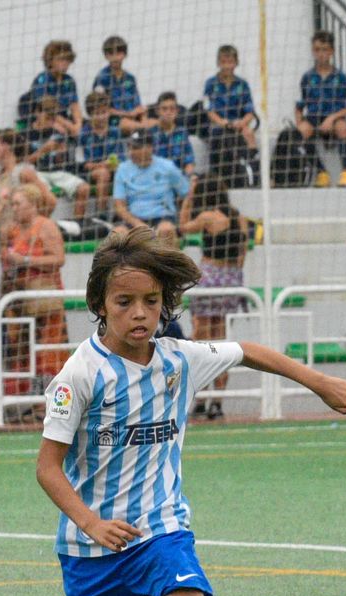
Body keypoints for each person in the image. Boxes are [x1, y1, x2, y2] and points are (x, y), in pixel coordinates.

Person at [35, 225, 346, 596]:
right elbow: (48, 467)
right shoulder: (80, 375)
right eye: (125, 302)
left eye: (151, 301)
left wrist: (316, 382)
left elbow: (249, 352)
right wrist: (90, 522)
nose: (140, 314)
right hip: (91, 546)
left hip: (162, 530)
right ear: (100, 305)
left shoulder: (179, 358)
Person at [179, 176, 251, 420]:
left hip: (210, 277)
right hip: (231, 280)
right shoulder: (238, 217)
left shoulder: (208, 217)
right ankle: (218, 402)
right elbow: (243, 252)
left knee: (200, 338)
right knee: (221, 341)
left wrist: (188, 198)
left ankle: (200, 399)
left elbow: (183, 227)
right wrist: (234, 277)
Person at [1, 184, 68, 402]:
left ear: (33, 205)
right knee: (22, 347)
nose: (14, 208)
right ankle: (24, 397)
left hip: (43, 298)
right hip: (19, 298)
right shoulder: (13, 229)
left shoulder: (45, 226)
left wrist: (26, 261)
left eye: (18, 203)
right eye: (13, 204)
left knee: (47, 348)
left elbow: (58, 259)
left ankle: (50, 397)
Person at [295, 30, 346, 188]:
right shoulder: (307, 77)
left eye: (325, 49)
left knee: (343, 127)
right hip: (314, 117)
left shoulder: (340, 77)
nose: (321, 54)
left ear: (332, 51)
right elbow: (300, 105)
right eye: (317, 50)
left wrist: (331, 119)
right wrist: (299, 120)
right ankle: (321, 173)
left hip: (334, 117)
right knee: (300, 131)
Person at [112, 130, 189, 244]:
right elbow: (119, 206)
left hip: (163, 217)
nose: (131, 152)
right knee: (118, 233)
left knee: (165, 230)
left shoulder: (167, 167)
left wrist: (183, 221)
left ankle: (169, 262)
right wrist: (138, 224)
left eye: (136, 148)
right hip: (134, 219)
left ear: (149, 148)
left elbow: (187, 193)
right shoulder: (122, 169)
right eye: (130, 148)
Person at [24, 97, 91, 222]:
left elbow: (64, 160)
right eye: (48, 117)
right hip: (37, 173)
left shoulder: (58, 131)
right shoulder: (27, 133)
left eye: (53, 117)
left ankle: (77, 226)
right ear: (37, 113)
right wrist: (44, 150)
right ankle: (41, 227)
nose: (51, 121)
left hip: (58, 172)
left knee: (84, 189)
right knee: (42, 194)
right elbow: (24, 162)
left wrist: (62, 151)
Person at [203, 44, 259, 167]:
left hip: (238, 123)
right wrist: (225, 123)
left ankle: (253, 171)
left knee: (249, 133)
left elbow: (250, 111)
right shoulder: (210, 83)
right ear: (218, 63)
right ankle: (221, 169)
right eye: (223, 62)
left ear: (236, 63)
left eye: (230, 62)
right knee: (221, 134)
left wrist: (242, 123)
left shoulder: (243, 84)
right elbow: (209, 111)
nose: (227, 66)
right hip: (219, 124)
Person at [0, 128, 50, 237]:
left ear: (6, 146)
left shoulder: (23, 172)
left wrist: (33, 229)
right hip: (2, 238)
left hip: (20, 240)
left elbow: (50, 201)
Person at [78, 91, 121, 217]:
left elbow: (121, 157)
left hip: (113, 170)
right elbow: (82, 165)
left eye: (104, 112)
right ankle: (101, 215)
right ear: (90, 115)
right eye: (97, 113)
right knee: (103, 174)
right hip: (90, 174)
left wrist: (115, 164)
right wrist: (102, 165)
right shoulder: (83, 135)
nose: (102, 116)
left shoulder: (115, 132)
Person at [24, 40, 83, 132]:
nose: (65, 63)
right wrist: (71, 127)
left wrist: (78, 124)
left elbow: (74, 105)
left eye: (67, 60)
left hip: (63, 118)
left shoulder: (69, 80)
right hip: (44, 118)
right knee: (59, 129)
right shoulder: (42, 79)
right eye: (61, 59)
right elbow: (48, 109)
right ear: (50, 61)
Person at [93, 35, 149, 130]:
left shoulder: (130, 78)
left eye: (118, 53)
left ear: (125, 54)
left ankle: (144, 129)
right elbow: (100, 109)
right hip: (114, 120)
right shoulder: (101, 78)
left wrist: (142, 114)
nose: (115, 57)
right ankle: (143, 129)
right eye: (111, 53)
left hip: (134, 117)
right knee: (127, 124)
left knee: (154, 120)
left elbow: (138, 104)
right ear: (106, 56)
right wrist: (127, 114)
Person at [149, 92, 196, 179]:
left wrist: (187, 177)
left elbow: (189, 161)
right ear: (157, 111)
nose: (168, 112)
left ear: (177, 111)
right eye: (164, 109)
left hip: (179, 178)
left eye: (172, 109)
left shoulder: (182, 132)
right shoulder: (149, 133)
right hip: (156, 179)